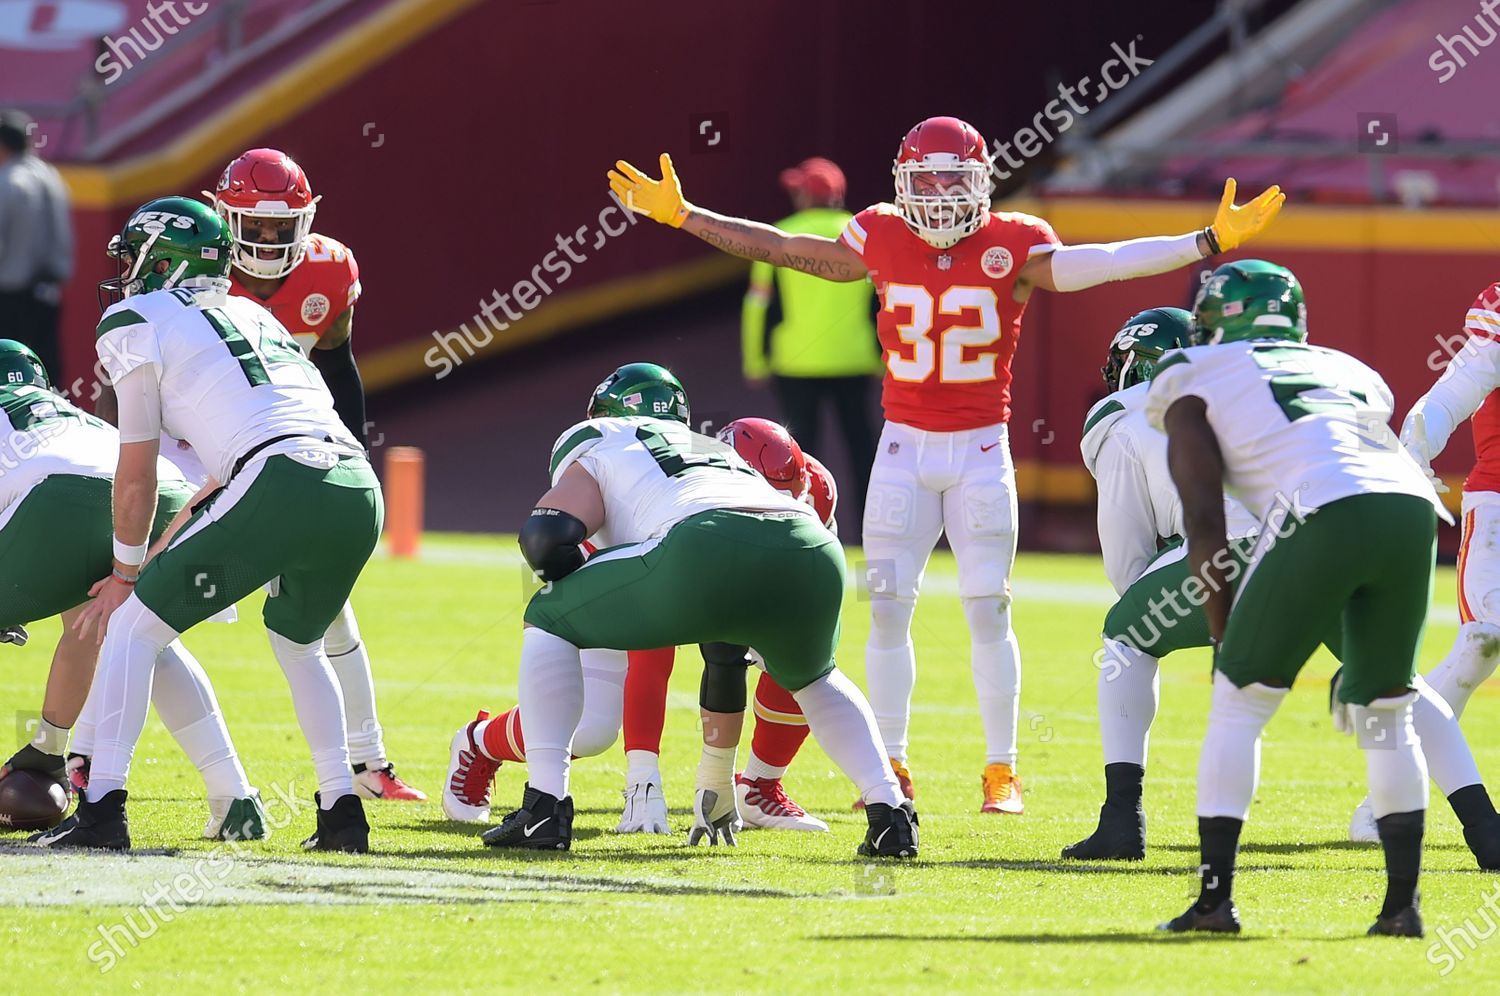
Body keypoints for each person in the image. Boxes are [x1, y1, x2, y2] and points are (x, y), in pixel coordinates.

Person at [609, 115, 1284, 813]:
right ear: (902, 183)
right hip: (902, 447)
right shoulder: (878, 234)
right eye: (924, 180)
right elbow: (785, 248)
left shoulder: (1014, 243)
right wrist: (685, 216)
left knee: (989, 608)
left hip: (980, 450)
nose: (936, 195)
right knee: (890, 610)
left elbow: (1104, 259)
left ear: (981, 183)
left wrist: (1204, 241)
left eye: (951, 179)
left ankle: (1002, 770)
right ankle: (892, 764)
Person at [1066, 307, 1500, 867]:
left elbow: (1133, 567)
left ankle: (1124, 819)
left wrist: (1220, 610)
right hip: (1383, 520)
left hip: (1256, 539)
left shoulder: (1139, 406)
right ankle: (1484, 829)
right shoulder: (1343, 370)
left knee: (1128, 637)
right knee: (1401, 687)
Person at [33, 196, 381, 853]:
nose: (126, 271)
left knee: (131, 628)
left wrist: (124, 573)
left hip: (274, 475)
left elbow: (135, 468)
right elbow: (229, 468)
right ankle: (341, 814)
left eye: (134, 256)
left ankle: (102, 809)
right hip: (355, 483)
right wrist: (158, 553)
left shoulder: (136, 318)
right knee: (300, 644)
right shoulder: (251, 312)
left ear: (164, 260)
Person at [476, 363, 917, 856]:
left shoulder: (599, 437)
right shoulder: (715, 449)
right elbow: (724, 653)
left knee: (547, 615)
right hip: (810, 546)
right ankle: (890, 814)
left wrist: (581, 583)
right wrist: (714, 775)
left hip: (705, 539)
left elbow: (546, 538)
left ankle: (545, 806)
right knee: (816, 679)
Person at [92, 148, 420, 803]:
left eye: (282, 226)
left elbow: (338, 365)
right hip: (238, 446)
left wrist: (129, 563)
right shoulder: (241, 305)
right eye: (256, 225)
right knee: (285, 629)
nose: (269, 240)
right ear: (223, 226)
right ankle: (335, 802)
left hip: (264, 449)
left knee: (132, 608)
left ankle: (108, 790)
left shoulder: (317, 272)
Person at [1147, 259, 1450, 936]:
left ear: (1213, 320)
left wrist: (1225, 629)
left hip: (1327, 509)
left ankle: (1214, 903)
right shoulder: (1351, 370)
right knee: (1385, 712)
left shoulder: (1190, 371)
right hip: (1412, 511)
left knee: (1239, 701)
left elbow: (1202, 513)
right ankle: (1402, 910)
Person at [445, 409, 837, 834]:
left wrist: (715, 774)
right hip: (631, 564)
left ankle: (761, 785)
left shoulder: (810, 484)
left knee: (801, 659)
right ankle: (481, 742)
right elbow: (651, 659)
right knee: (593, 728)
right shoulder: (650, 475)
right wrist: (642, 776)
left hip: (710, 563)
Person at [0, 340, 265, 842]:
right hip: (159, 488)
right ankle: (234, 797)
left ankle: (83, 786)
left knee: (122, 629)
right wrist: (48, 746)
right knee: (138, 633)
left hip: (56, 491)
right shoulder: (67, 417)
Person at [741, 157, 880, 523]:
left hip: (795, 363)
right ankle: (874, 528)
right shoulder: (863, 236)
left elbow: (757, 306)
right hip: (856, 359)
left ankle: (802, 525)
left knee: (797, 456)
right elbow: (884, 301)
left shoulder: (779, 236)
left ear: (804, 196)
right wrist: (888, 358)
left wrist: (755, 361)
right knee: (862, 449)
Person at [0, 110, 72, 381]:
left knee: (10, 376)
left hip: (11, 297)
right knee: (47, 371)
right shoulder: (49, 174)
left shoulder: (7, 182)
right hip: (47, 291)